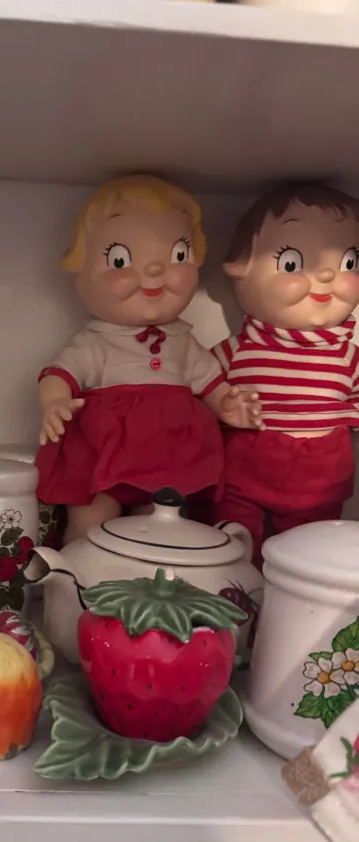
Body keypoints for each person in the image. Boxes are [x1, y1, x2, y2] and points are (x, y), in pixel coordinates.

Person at [36, 175, 261, 546]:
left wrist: (228, 405)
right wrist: (55, 402)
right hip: (104, 457)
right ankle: (77, 573)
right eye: (120, 260)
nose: (154, 272)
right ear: (80, 272)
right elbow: (59, 374)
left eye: (178, 256)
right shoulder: (96, 341)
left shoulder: (183, 341)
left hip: (168, 460)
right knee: (92, 523)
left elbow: (211, 383)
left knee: (161, 531)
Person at [213, 183, 359, 564]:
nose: (326, 275)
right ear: (241, 266)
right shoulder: (239, 349)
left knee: (308, 559)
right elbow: (199, 387)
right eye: (292, 263)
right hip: (245, 472)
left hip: (319, 482)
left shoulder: (349, 357)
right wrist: (218, 406)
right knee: (231, 546)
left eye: (349, 263)